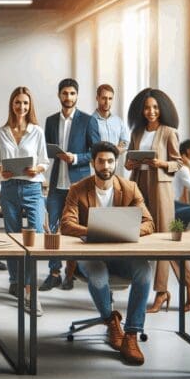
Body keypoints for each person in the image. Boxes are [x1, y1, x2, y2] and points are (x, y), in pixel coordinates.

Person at [60, 141, 155, 366]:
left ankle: (131, 333)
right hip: (90, 255)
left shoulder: (130, 188)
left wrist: (126, 230)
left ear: (116, 163)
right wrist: (96, 231)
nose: (106, 165)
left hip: (121, 254)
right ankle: (112, 321)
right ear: (93, 163)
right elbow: (66, 224)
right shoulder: (78, 188)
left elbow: (149, 222)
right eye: (101, 161)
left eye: (110, 161)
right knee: (98, 274)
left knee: (144, 269)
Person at [123, 88, 190, 313]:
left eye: (154, 107)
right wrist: (130, 163)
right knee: (142, 236)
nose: (151, 111)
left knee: (166, 239)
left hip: (160, 188)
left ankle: (162, 292)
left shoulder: (169, 132)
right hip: (139, 184)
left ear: (161, 109)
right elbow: (127, 162)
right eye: (146, 107)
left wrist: (161, 164)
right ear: (140, 111)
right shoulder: (137, 132)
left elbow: (178, 163)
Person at [0, 86, 49, 315]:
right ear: (11, 105)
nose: (21, 107)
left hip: (33, 187)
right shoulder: (1, 132)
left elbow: (45, 161)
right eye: (18, 103)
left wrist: (37, 169)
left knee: (36, 235)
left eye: (25, 103)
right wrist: (1, 170)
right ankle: (16, 280)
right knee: (12, 237)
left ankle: (30, 289)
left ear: (30, 105)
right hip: (9, 188)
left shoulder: (37, 131)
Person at [40, 78, 100, 292]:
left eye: (72, 93)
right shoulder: (50, 121)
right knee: (52, 228)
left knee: (76, 229)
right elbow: (45, 149)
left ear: (77, 95)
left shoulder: (88, 121)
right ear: (59, 95)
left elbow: (96, 153)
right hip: (57, 183)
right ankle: (54, 273)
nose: (68, 97)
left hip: (79, 184)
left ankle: (70, 273)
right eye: (64, 93)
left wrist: (74, 158)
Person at [89, 84, 130, 175]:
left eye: (110, 98)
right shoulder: (89, 122)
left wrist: (115, 150)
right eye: (104, 98)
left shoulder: (118, 121)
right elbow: (90, 147)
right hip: (96, 168)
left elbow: (126, 142)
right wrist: (115, 149)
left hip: (115, 168)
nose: (107, 102)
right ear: (97, 98)